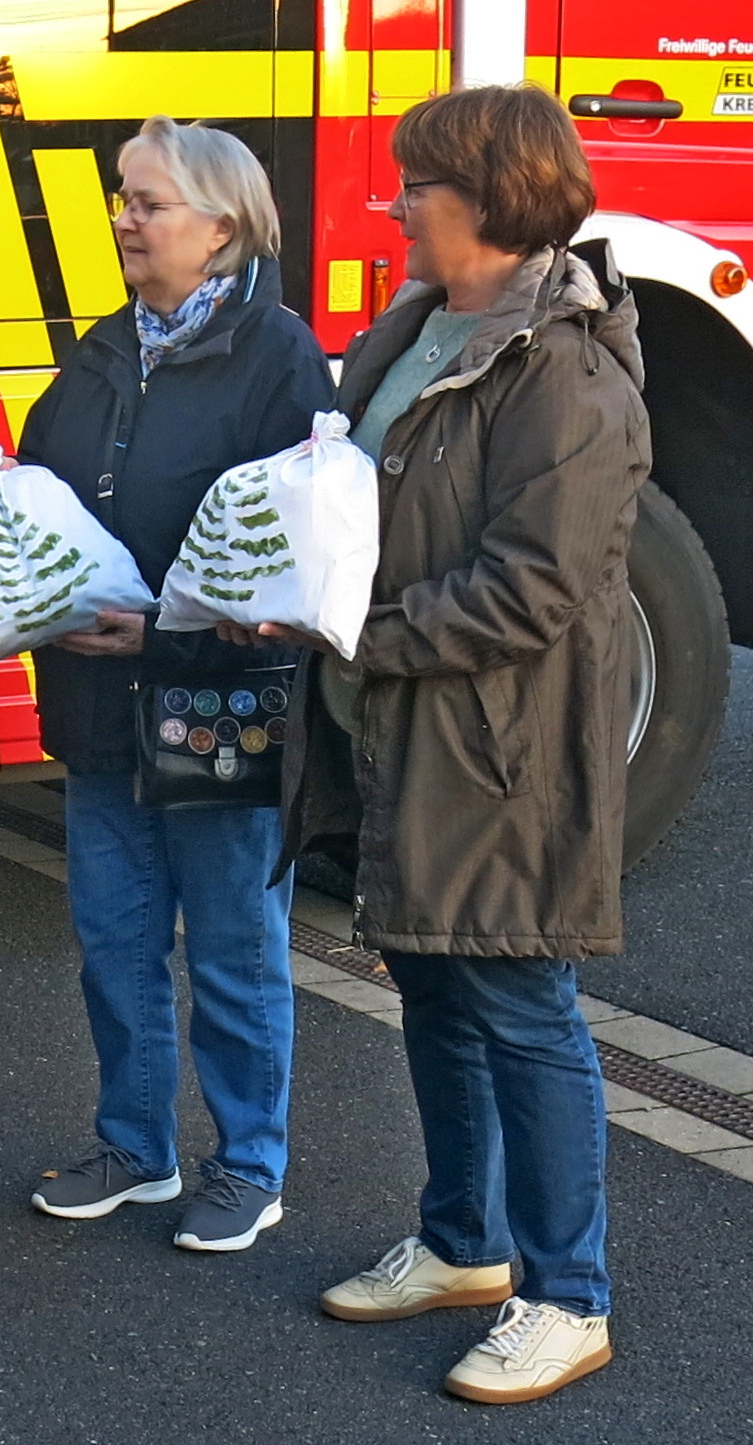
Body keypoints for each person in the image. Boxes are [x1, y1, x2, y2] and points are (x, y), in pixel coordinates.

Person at [277, 85, 642, 1405]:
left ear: (485, 200)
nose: (389, 205)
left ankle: (568, 1294)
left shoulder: (569, 370)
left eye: (411, 184)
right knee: (430, 984)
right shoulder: (424, 326)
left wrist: (355, 631)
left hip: (496, 747)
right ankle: (461, 1240)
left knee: (519, 1004)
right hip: (409, 727)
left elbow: (534, 588)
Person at [14, 117, 332, 1252]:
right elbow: (39, 488)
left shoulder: (276, 353)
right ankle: (135, 1146)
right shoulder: (104, 345)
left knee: (235, 951)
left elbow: (290, 552)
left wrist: (158, 631)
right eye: (119, 195)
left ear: (222, 224)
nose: (120, 218)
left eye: (145, 201)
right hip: (99, 699)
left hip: (216, 698)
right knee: (114, 938)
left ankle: (247, 1162)